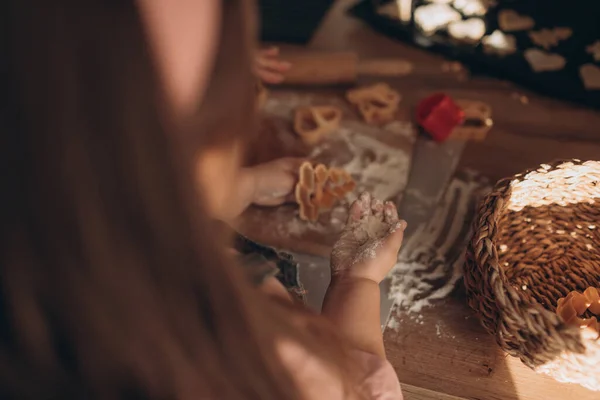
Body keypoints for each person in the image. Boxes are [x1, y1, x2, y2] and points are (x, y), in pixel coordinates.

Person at [0, 1, 406, 399]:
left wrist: (244, 187)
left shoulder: (55, 251)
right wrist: (356, 285)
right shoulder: (262, 362)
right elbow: (361, 387)